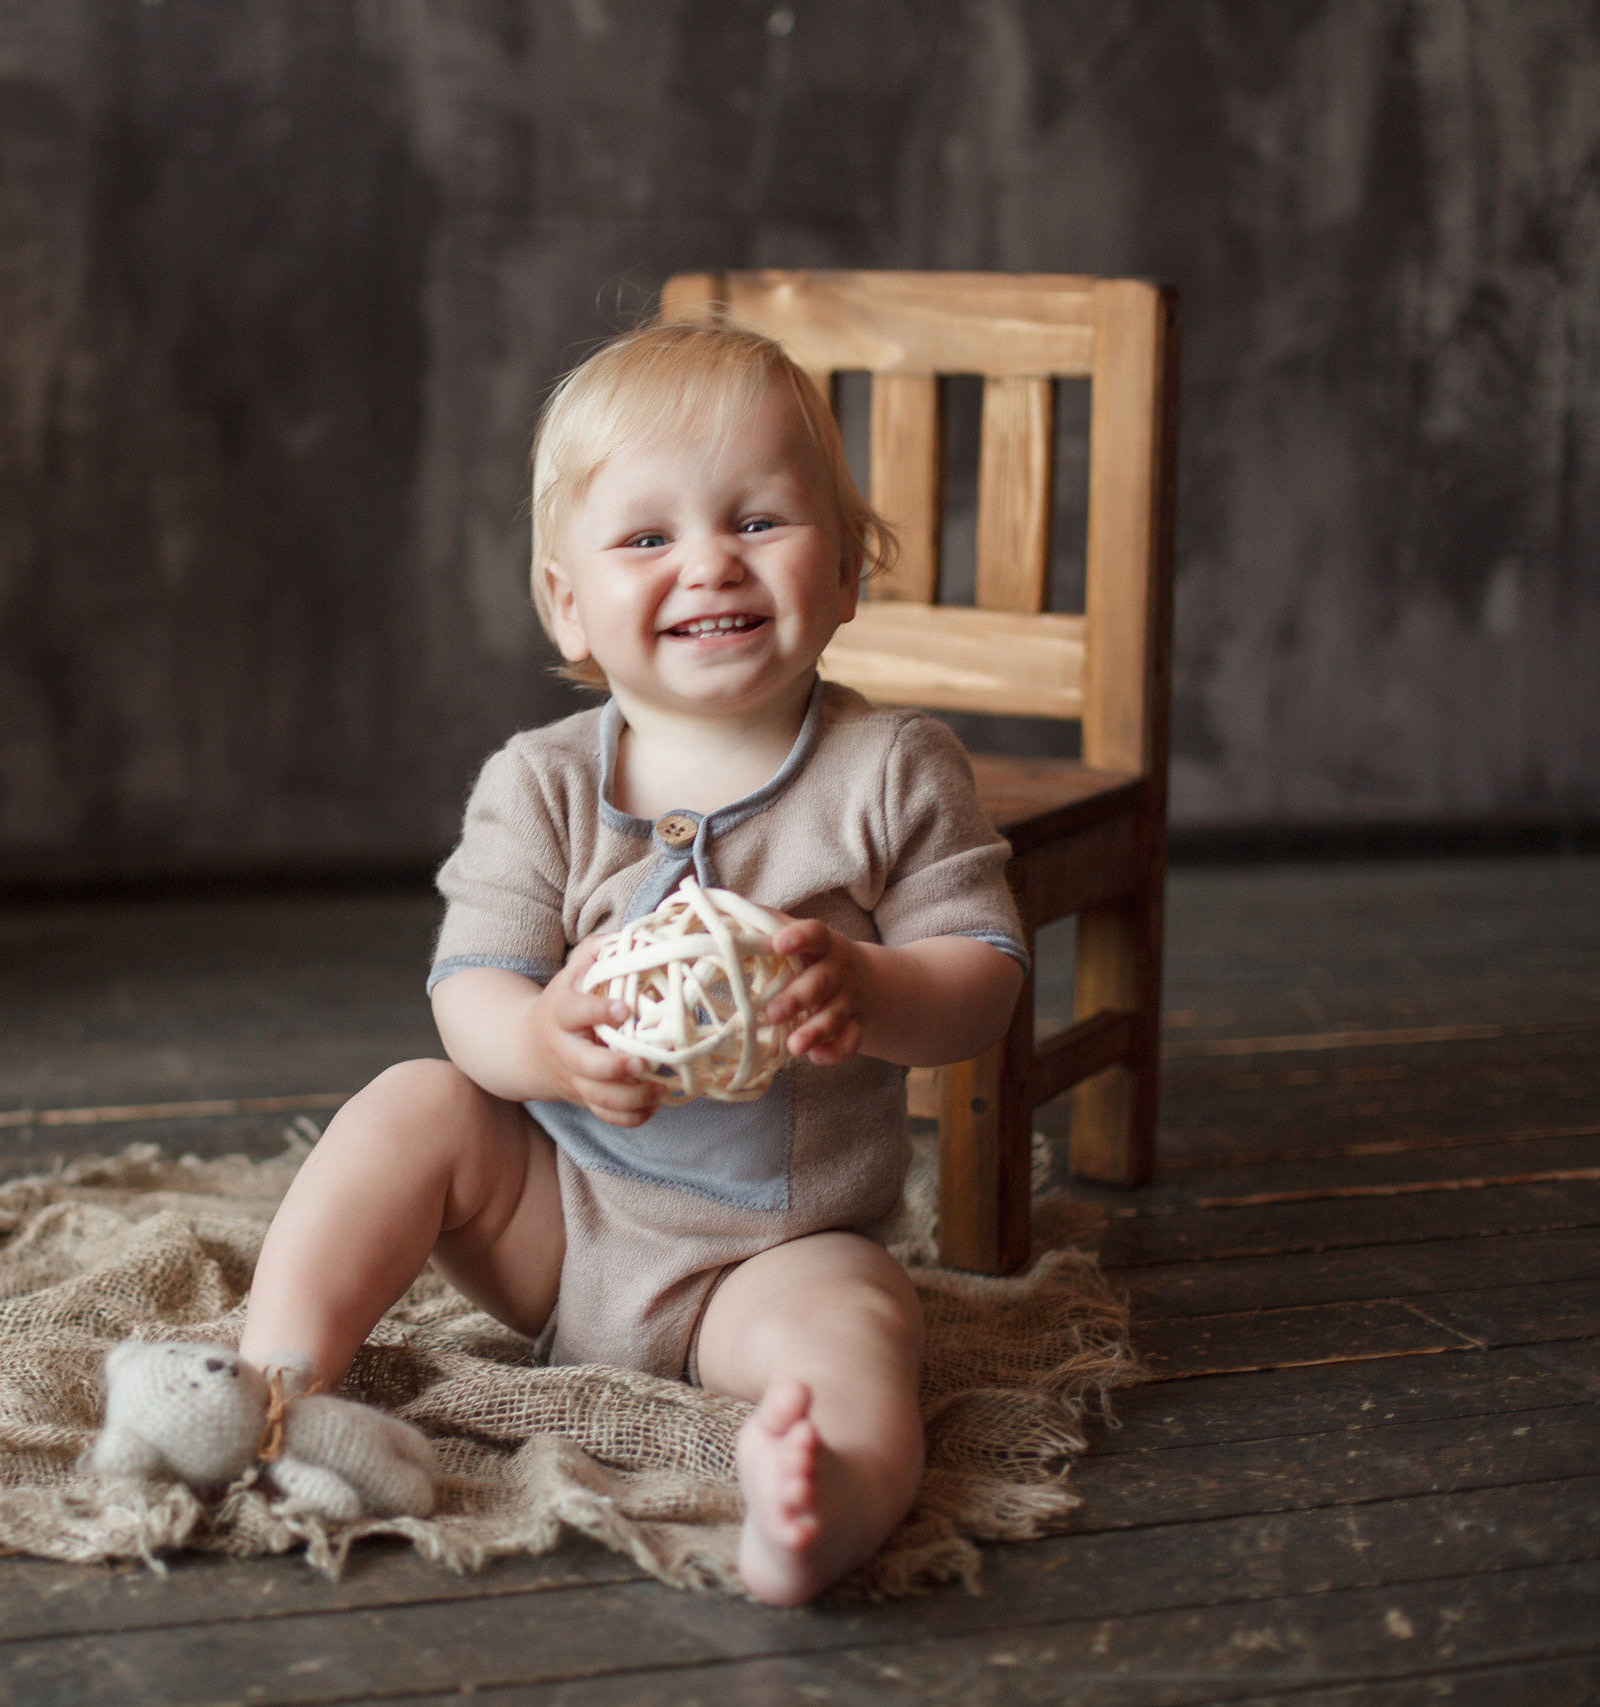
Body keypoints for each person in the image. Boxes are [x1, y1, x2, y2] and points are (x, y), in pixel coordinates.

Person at [239, 321, 1028, 1605]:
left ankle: (822, 1504)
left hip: (775, 1253)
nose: (711, 562)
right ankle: (273, 1384)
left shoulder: (889, 770)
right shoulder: (541, 782)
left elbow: (982, 975)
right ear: (567, 600)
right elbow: (470, 991)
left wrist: (876, 989)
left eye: (762, 521)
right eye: (649, 537)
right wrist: (543, 1043)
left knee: (868, 1322)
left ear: (848, 573)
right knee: (411, 1103)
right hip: (559, 1221)